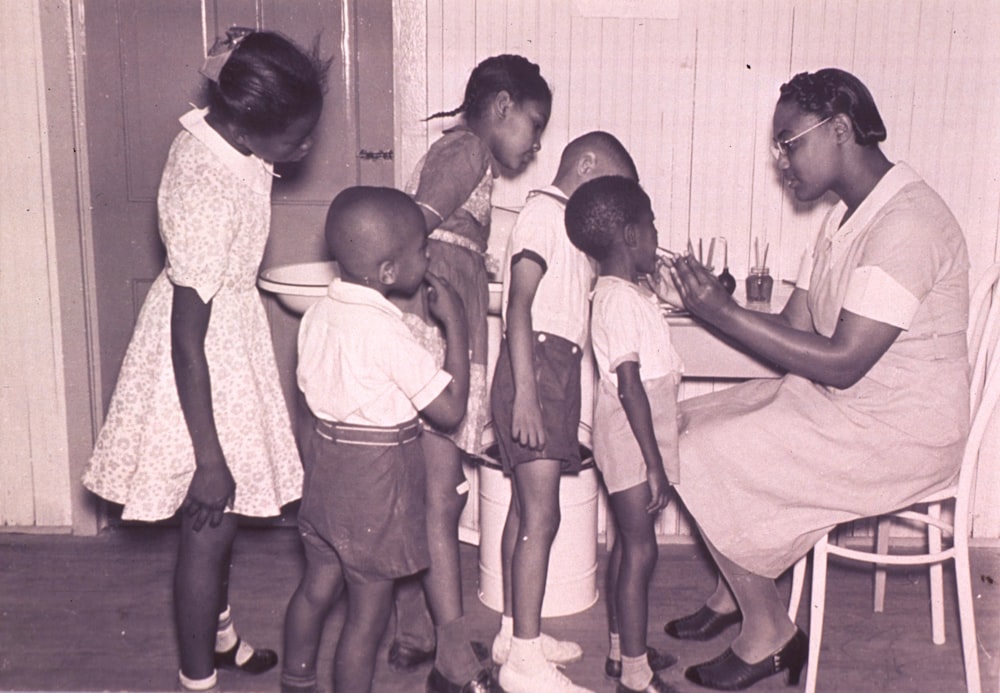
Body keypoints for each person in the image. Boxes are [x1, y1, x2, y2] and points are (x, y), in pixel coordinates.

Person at [664, 68, 970, 690]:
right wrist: (708, 301)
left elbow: (842, 360)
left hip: (902, 428)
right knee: (679, 424)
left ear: (839, 130)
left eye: (789, 142)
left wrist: (719, 313)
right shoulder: (846, 218)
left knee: (695, 450)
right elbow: (793, 327)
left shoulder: (905, 223)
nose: (782, 161)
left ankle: (769, 632)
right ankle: (737, 592)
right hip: (851, 406)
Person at [81, 28, 327, 692]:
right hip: (195, 365)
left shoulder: (233, 136)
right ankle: (197, 679)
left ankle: (218, 636)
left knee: (225, 521)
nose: (305, 149)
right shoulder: (203, 184)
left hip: (229, 341)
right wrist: (209, 454)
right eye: (297, 138)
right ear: (249, 125)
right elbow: (187, 342)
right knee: (209, 522)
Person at [279, 187, 495, 693]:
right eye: (423, 249)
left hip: (325, 474)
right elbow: (449, 410)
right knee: (367, 615)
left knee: (315, 590)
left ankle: (296, 681)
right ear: (389, 272)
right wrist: (457, 328)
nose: (429, 256)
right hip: (374, 486)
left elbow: (311, 392)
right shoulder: (389, 332)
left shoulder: (316, 317)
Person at [386, 54, 553, 687]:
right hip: (437, 338)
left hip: (436, 330)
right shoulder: (469, 152)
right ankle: (452, 655)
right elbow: (408, 235)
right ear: (503, 106)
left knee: (428, 493)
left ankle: (416, 630)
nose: (534, 142)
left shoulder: (463, 152)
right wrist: (445, 301)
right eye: (533, 124)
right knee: (439, 496)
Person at [489, 132, 640, 693]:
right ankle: (523, 666)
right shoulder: (543, 216)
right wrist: (528, 394)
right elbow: (519, 305)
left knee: (523, 514)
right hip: (537, 373)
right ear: (587, 165)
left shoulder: (564, 227)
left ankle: (513, 633)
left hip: (552, 371)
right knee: (542, 517)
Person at [564, 175, 682, 693]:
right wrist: (654, 464)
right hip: (634, 436)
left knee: (628, 545)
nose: (658, 235)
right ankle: (636, 676)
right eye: (653, 225)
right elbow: (631, 387)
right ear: (632, 236)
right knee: (641, 552)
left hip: (636, 432)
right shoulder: (615, 300)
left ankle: (621, 650)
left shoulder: (623, 293)